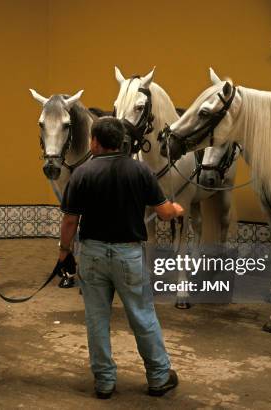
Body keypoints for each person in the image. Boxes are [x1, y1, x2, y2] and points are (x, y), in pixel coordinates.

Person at [58, 116, 184, 399]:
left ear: (95, 141)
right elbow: (164, 213)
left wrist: (64, 252)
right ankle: (159, 377)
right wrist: (176, 209)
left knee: (96, 319)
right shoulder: (140, 171)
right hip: (128, 255)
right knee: (142, 316)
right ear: (121, 141)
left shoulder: (82, 173)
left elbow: (70, 221)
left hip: (92, 254)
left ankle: (104, 383)